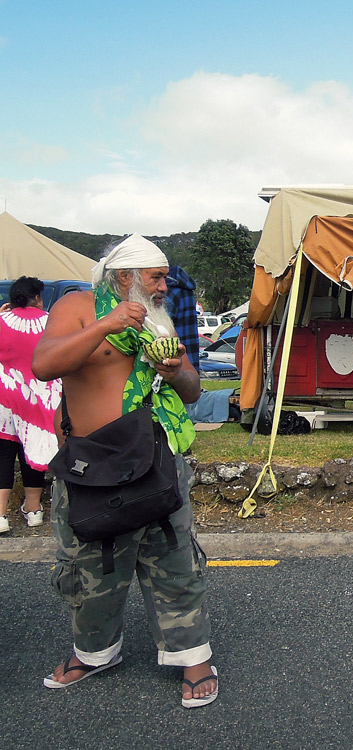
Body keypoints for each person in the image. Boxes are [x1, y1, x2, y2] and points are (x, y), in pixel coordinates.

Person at [32, 234, 218, 709]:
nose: (164, 285)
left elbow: (193, 390)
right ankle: (94, 653)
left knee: (174, 557)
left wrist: (175, 369)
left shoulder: (159, 319)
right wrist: (107, 324)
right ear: (123, 277)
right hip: (90, 463)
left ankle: (192, 656)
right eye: (156, 276)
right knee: (89, 565)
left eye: (165, 277)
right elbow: (44, 365)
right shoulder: (78, 306)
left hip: (158, 456)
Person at [0, 277, 60, 534]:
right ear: (37, 297)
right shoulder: (51, 322)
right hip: (39, 396)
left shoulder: (1, 321)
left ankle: (1, 515)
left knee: (3, 453)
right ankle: (34, 509)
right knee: (32, 448)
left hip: (5, 395)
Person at [166, 264, 200, 370]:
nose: (161, 287)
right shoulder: (181, 290)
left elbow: (188, 340)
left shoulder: (176, 291)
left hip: (171, 369)